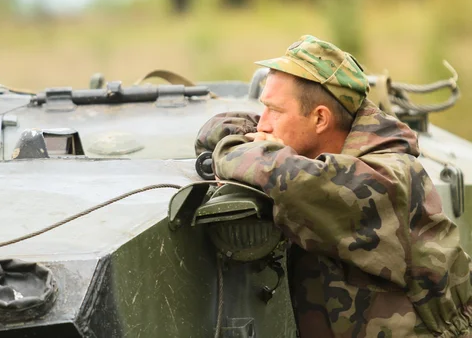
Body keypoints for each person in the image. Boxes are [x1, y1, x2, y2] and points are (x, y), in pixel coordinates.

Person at [195, 34, 472, 337]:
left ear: (320, 119)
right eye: (264, 108)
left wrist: (240, 148)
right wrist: (253, 136)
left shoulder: (385, 179)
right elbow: (212, 130)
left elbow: (293, 180)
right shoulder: (321, 154)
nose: (263, 123)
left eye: (275, 110)